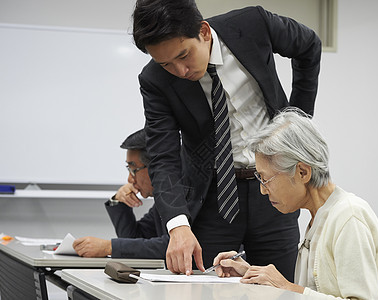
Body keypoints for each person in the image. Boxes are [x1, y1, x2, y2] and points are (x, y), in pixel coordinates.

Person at [132, 0, 321, 278]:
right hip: (212, 200)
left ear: (204, 32)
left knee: (281, 287)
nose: (180, 71)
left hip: (273, 189)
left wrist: (297, 123)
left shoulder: (253, 24)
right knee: (201, 288)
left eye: (184, 56)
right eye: (166, 64)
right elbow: (163, 158)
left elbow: (308, 45)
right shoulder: (154, 80)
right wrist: (178, 226)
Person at [212, 108, 378, 299]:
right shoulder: (320, 219)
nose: (262, 190)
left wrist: (287, 288)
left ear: (302, 172)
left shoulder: (349, 216)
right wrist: (254, 274)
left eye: (266, 179)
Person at [73, 129, 169, 259]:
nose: (129, 179)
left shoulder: (186, 196)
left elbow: (174, 246)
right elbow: (135, 238)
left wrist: (109, 247)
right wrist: (119, 201)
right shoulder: (162, 201)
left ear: (155, 167)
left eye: (133, 170)